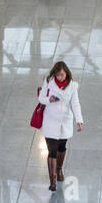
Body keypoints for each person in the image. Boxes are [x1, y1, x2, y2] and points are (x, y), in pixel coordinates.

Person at [37, 60, 84, 191]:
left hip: (65, 122)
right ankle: (52, 180)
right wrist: (49, 100)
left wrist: (79, 120)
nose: (59, 77)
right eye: (57, 75)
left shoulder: (72, 86)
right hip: (51, 121)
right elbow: (40, 98)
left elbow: (75, 104)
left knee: (61, 148)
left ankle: (59, 170)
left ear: (66, 74)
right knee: (51, 150)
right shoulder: (48, 82)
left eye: (62, 75)